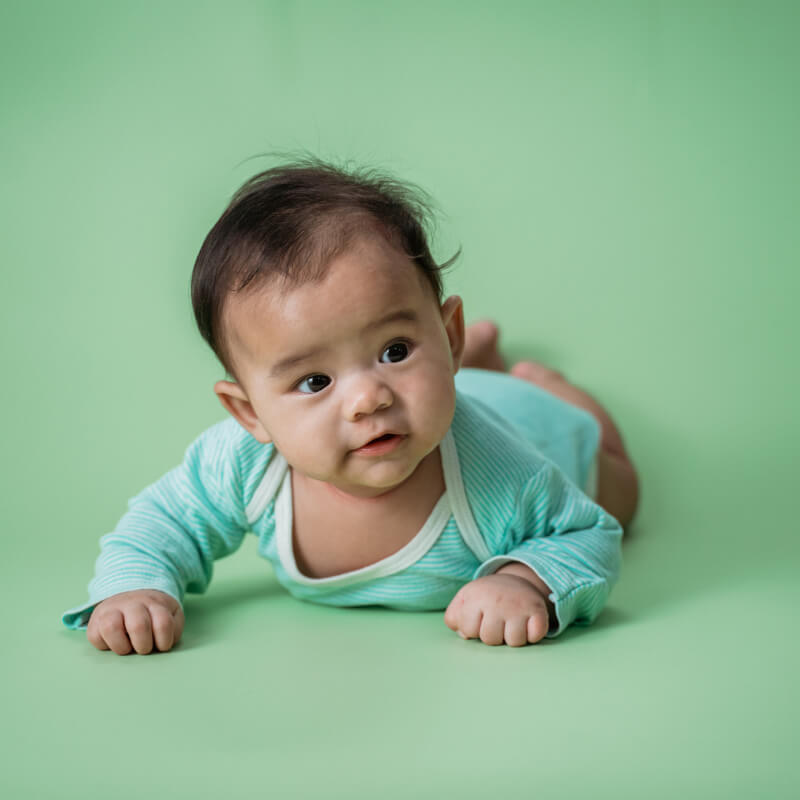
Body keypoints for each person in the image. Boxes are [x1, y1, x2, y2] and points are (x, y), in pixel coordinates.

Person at [62, 157, 640, 654]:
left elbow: (588, 533)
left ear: (447, 334)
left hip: (539, 425)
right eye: (315, 381)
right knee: (452, 387)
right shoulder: (244, 464)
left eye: (395, 350)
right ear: (250, 415)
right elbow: (164, 522)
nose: (367, 398)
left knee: (622, 488)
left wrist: (526, 581)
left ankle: (550, 384)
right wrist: (135, 587)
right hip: (456, 384)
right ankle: (475, 363)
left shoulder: (502, 473)